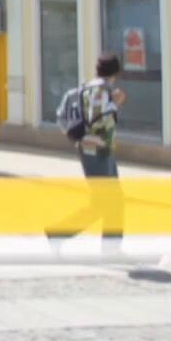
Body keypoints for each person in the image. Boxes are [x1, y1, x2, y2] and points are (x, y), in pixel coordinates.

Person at [46, 53, 127, 252]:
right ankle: (58, 234)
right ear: (115, 72)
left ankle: (110, 248)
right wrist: (115, 104)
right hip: (97, 151)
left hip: (98, 150)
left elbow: (62, 117)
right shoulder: (101, 90)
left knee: (114, 201)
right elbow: (98, 121)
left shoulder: (84, 88)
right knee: (104, 203)